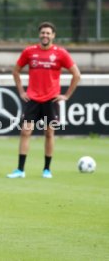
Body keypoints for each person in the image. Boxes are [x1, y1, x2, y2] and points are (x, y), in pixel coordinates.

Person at [7, 21, 80, 179]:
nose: (45, 35)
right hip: (32, 98)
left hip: (51, 100)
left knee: (49, 133)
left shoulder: (61, 53)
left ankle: (47, 169)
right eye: (43, 33)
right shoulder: (29, 51)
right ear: (39, 34)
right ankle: (20, 170)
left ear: (53, 35)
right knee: (25, 131)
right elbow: (16, 71)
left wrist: (66, 96)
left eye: (48, 33)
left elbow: (77, 74)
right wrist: (21, 91)